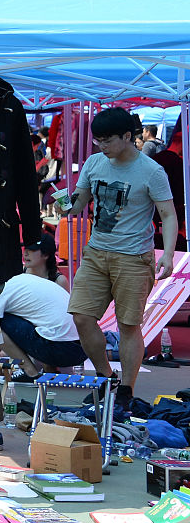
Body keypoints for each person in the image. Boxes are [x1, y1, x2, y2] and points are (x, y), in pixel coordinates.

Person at [62, 107, 176, 409]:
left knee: (128, 326)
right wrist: (66, 206)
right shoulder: (94, 162)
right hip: (96, 253)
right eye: (97, 140)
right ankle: (105, 377)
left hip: (134, 258)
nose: (101, 146)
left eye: (107, 140)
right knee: (82, 317)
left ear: (128, 136)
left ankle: (126, 389)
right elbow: (79, 203)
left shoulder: (151, 171)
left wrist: (166, 254)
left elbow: (168, 214)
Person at [0, 246, 87, 383]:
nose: (26, 254)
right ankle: (48, 370)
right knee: (35, 321)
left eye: (31, 251)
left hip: (61, 350)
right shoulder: (25, 281)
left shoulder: (8, 286)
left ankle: (30, 372)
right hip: (83, 349)